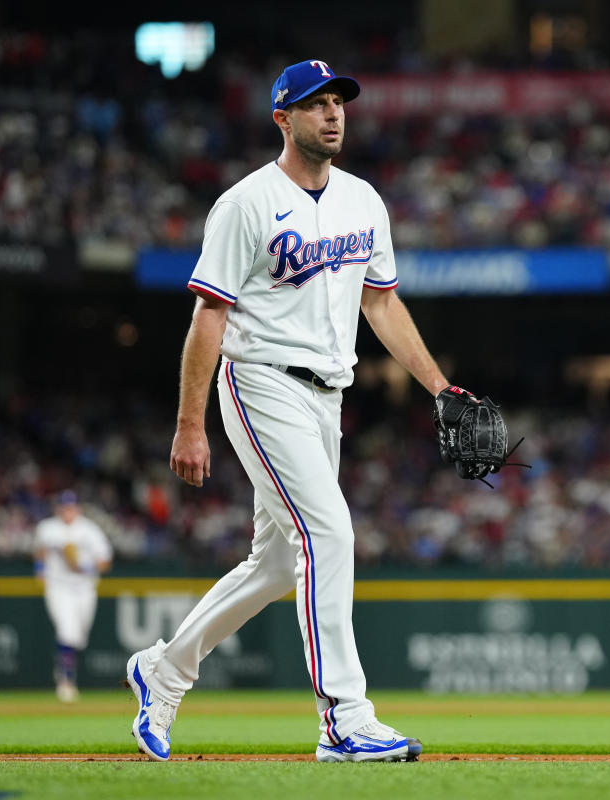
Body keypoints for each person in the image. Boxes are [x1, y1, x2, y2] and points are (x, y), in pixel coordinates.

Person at [124, 58, 463, 764]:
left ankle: (163, 670)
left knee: (279, 563)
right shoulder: (246, 203)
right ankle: (344, 718)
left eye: (339, 101)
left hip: (327, 396)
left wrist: (439, 388)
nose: (333, 112)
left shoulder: (364, 201)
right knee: (329, 532)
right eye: (316, 104)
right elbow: (208, 316)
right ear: (283, 118)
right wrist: (190, 423)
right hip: (260, 380)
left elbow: (381, 302)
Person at [34, 490, 113, 702]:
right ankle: (66, 681)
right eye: (64, 506)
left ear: (77, 508)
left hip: (84, 589)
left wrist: (83, 566)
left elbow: (105, 561)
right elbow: (40, 551)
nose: (67, 510)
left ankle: (64, 666)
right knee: (67, 632)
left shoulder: (89, 530)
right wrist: (39, 569)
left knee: (78, 638)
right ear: (58, 508)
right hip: (58, 587)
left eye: (71, 506)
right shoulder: (47, 528)